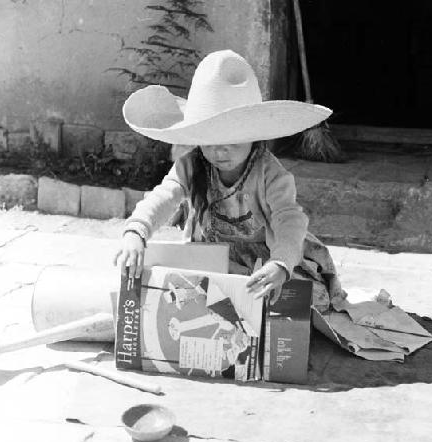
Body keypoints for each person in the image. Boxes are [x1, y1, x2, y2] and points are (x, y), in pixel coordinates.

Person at [114, 49, 344, 309]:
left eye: (232, 140)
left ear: (254, 135)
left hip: (266, 260)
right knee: (175, 302)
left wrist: (280, 265)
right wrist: (136, 231)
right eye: (210, 141)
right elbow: (164, 196)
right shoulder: (191, 164)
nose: (220, 151)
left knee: (302, 303)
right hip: (211, 258)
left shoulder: (270, 173)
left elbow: (288, 220)